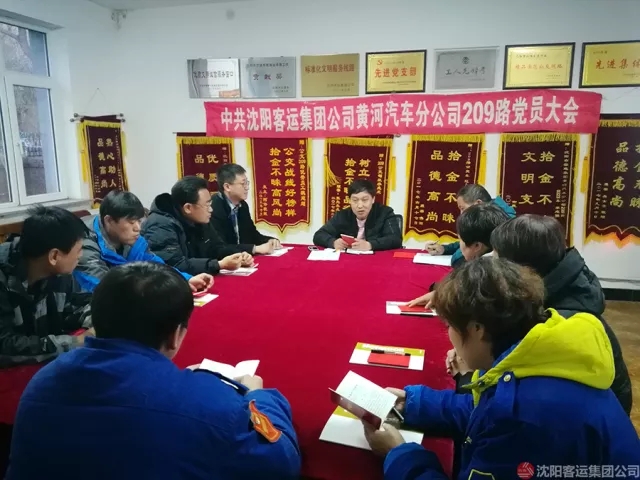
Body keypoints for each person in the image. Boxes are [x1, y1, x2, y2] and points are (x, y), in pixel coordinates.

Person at [7, 262, 301, 479]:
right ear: (175, 336)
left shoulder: (44, 380)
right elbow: (281, 462)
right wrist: (259, 397)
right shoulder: (207, 402)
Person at [362, 258, 640, 479]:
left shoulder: (523, 418)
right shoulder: (532, 354)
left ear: (477, 329)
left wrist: (398, 453)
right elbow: (482, 410)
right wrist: (412, 403)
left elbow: (502, 417)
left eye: (450, 327)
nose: (449, 337)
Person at [489, 214, 632, 415]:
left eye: (497, 256)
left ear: (522, 268)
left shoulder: (559, 322)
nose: (491, 261)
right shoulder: (559, 290)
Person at [0, 206, 93, 368]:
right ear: (54, 256)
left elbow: (81, 304)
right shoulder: (4, 279)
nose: (80, 256)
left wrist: (96, 322)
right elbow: (5, 345)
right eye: (78, 250)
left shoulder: (60, 273)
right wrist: (74, 342)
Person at [73, 190, 212, 293]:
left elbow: (154, 264)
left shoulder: (132, 239)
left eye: (139, 221)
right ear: (109, 220)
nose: (138, 228)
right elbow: (103, 289)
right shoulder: (83, 244)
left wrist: (184, 279)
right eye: (131, 222)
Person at [142, 176, 253, 275]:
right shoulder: (160, 225)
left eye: (210, 204)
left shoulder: (199, 218)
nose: (211, 209)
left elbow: (217, 247)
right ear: (188, 208)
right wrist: (219, 264)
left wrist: (238, 256)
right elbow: (174, 265)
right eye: (207, 205)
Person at [407, 203, 509, 309]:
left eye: (460, 239)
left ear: (477, 246)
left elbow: (468, 298)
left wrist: (445, 296)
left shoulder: (485, 275)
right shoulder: (504, 260)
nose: (459, 245)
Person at [424, 184, 515, 268]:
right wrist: (444, 249)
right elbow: (469, 241)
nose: (461, 213)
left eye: (462, 208)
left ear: (478, 204)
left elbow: (463, 256)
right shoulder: (494, 217)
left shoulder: (499, 226)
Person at [313, 179, 402, 251]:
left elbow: (395, 239)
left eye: (365, 200)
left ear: (373, 199)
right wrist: (333, 242)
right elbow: (319, 235)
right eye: (355, 200)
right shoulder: (342, 215)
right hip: (348, 261)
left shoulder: (385, 213)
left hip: (376, 261)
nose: (360, 205)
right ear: (349, 200)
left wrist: (370, 245)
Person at [210, 164, 280, 255]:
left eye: (247, 183)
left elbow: (252, 235)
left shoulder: (242, 205)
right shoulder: (214, 207)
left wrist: (270, 240)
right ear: (227, 187)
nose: (247, 187)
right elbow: (221, 247)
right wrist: (254, 249)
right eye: (243, 184)